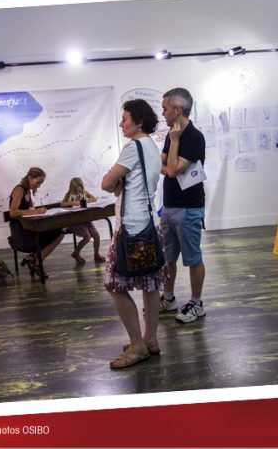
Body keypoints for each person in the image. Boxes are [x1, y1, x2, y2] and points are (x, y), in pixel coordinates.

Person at [101, 99, 168, 369]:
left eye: (125, 118)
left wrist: (114, 180)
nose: (121, 124)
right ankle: (150, 339)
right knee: (150, 284)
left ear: (138, 122)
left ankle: (137, 346)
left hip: (130, 226)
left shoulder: (132, 147)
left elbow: (107, 183)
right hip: (150, 223)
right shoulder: (151, 146)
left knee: (114, 285)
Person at [160, 87, 207, 324]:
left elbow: (173, 169)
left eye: (165, 108)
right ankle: (168, 298)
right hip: (169, 206)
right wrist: (170, 163)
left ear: (177, 109)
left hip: (189, 208)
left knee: (192, 257)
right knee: (168, 257)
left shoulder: (194, 137)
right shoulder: (171, 134)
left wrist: (175, 142)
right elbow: (162, 166)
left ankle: (196, 303)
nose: (163, 113)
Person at [8, 167, 64, 279]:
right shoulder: (19, 190)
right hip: (21, 232)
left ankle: (34, 259)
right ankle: (36, 262)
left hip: (28, 227)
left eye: (41, 183)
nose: (39, 186)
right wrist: (35, 211)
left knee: (60, 232)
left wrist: (36, 211)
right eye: (38, 182)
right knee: (59, 233)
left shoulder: (27, 191)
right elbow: (13, 213)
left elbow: (28, 210)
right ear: (30, 178)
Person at [60, 177, 106, 265]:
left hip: (85, 219)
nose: (78, 192)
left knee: (96, 236)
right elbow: (62, 204)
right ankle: (76, 253)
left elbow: (94, 199)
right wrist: (72, 203)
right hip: (75, 221)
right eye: (75, 190)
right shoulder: (69, 195)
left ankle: (96, 254)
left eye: (79, 190)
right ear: (71, 189)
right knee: (87, 237)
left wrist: (84, 200)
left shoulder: (84, 193)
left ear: (82, 187)